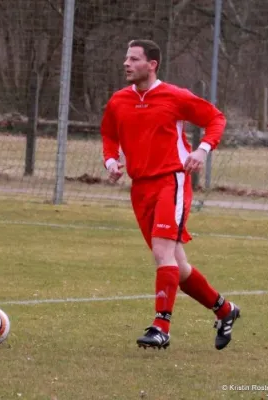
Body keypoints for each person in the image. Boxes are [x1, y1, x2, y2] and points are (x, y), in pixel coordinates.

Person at [100, 39, 240, 351]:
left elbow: (216, 119)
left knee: (163, 254)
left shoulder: (174, 96)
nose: (126, 63)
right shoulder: (118, 100)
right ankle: (225, 309)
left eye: (134, 59)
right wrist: (110, 160)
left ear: (152, 64)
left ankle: (160, 327)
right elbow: (109, 133)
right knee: (178, 264)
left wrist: (203, 150)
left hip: (171, 181)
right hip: (140, 189)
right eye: (126, 58)